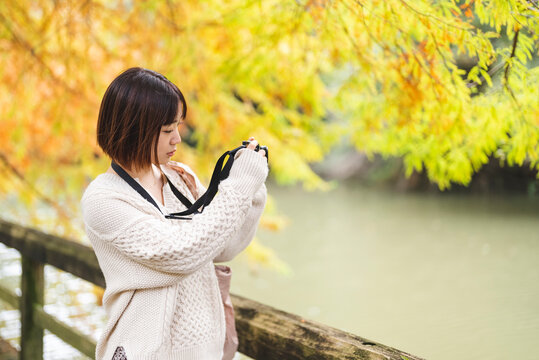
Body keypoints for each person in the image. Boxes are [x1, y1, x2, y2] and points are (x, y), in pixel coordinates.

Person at [81, 67, 268, 360]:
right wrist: (238, 188)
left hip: (205, 352)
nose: (177, 139)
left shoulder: (180, 178)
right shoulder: (103, 199)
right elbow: (182, 253)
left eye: (177, 127)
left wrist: (251, 191)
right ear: (134, 129)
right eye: (168, 130)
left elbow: (221, 245)